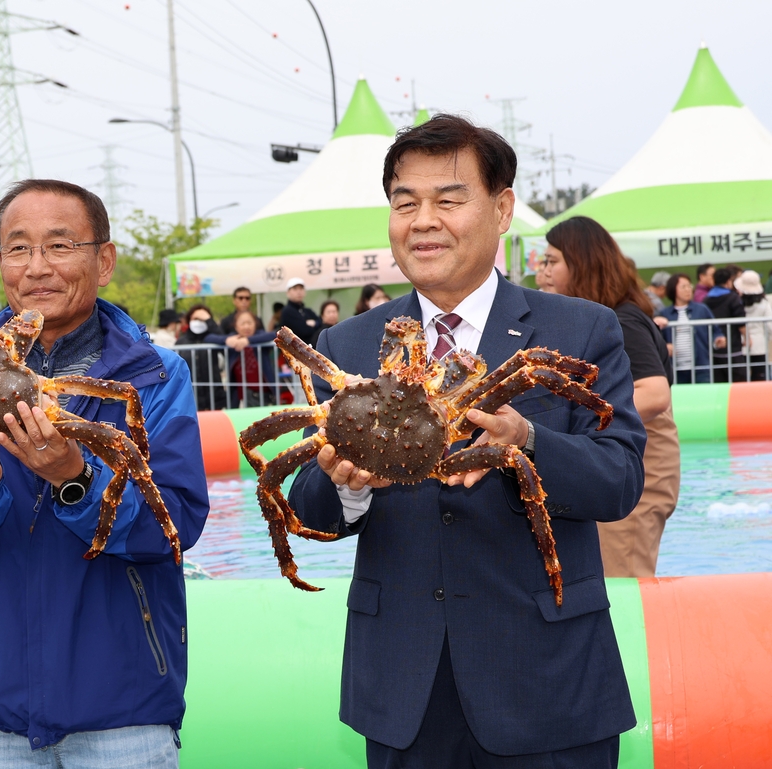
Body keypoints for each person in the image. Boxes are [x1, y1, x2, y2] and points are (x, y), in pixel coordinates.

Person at [287, 114, 644, 768]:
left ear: (502, 208)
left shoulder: (580, 329)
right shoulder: (348, 346)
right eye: (404, 202)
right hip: (402, 691)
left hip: (549, 681)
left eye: (449, 199)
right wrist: (344, 481)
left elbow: (620, 480)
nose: (423, 220)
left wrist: (527, 438)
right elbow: (307, 509)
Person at [0, 179, 209, 767]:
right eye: (18, 248)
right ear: (0, 263)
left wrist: (76, 479)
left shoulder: (154, 377)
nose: (37, 268)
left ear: (105, 260)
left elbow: (174, 527)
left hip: (123, 701)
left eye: (60, 246)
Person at [544, 217, 679, 579]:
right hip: (614, 467)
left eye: (552, 261)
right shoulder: (598, 320)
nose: (545, 272)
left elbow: (654, 393)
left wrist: (579, 415)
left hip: (636, 473)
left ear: (581, 262)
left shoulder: (622, 320)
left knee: (624, 579)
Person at [658, 273, 725, 383]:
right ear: (673, 289)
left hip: (701, 367)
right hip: (675, 369)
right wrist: (665, 346)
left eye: (689, 286)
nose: (688, 290)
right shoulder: (665, 313)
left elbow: (715, 330)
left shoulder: (702, 309)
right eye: (683, 287)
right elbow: (658, 338)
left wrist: (718, 338)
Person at [175, 303, 228, 411]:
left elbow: (225, 344)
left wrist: (209, 321)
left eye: (203, 319)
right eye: (196, 318)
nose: (199, 322)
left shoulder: (214, 339)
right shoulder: (181, 342)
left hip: (214, 396)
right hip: (190, 398)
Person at [224, 310, 277, 408]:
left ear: (255, 324)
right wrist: (226, 340)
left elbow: (275, 334)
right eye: (243, 323)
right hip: (239, 395)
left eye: (249, 323)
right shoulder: (233, 340)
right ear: (236, 326)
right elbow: (209, 338)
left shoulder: (260, 337)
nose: (246, 327)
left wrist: (248, 340)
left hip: (262, 394)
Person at [704, 266, 748, 382]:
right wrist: (747, 337)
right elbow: (740, 320)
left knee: (719, 381)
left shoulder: (706, 299)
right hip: (733, 347)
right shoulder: (733, 298)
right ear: (729, 281)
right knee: (739, 380)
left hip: (714, 347)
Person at [735, 269, 772, 381]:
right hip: (760, 346)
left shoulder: (737, 303)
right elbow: (770, 326)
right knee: (760, 378)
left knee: (742, 379)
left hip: (742, 345)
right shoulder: (764, 304)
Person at [279, 277, 321, 345]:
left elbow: (321, 321)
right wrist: (315, 327)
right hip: (295, 352)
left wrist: (315, 323)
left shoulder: (307, 311)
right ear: (288, 292)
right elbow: (304, 331)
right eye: (295, 289)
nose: (299, 292)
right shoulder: (287, 311)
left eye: (301, 288)